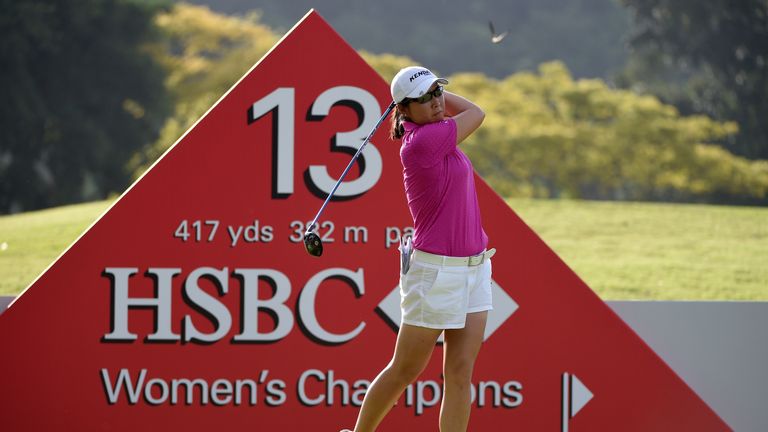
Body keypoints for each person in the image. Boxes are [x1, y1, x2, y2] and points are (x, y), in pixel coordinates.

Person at [342, 66, 495, 432]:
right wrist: (428, 95)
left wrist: (429, 92)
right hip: (436, 273)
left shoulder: (436, 130)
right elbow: (476, 112)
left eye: (437, 92)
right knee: (406, 369)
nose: (436, 101)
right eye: (424, 98)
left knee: (460, 372)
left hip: (475, 268)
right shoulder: (424, 141)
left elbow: (462, 111)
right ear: (404, 110)